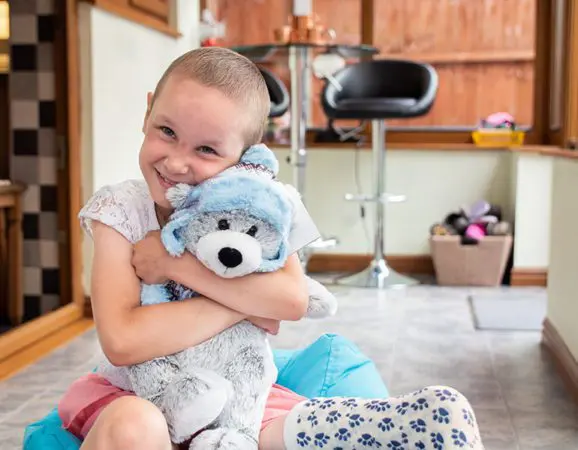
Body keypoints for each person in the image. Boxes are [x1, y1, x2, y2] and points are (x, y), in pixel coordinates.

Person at [57, 47, 484, 450]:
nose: (176, 162)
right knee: (139, 422)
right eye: (166, 131)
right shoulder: (119, 210)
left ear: (247, 157)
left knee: (283, 428)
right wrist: (247, 303)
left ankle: (409, 427)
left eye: (207, 149)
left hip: (236, 389)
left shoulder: (258, 201)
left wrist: (174, 265)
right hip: (134, 389)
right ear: (148, 110)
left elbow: (291, 300)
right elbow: (124, 341)